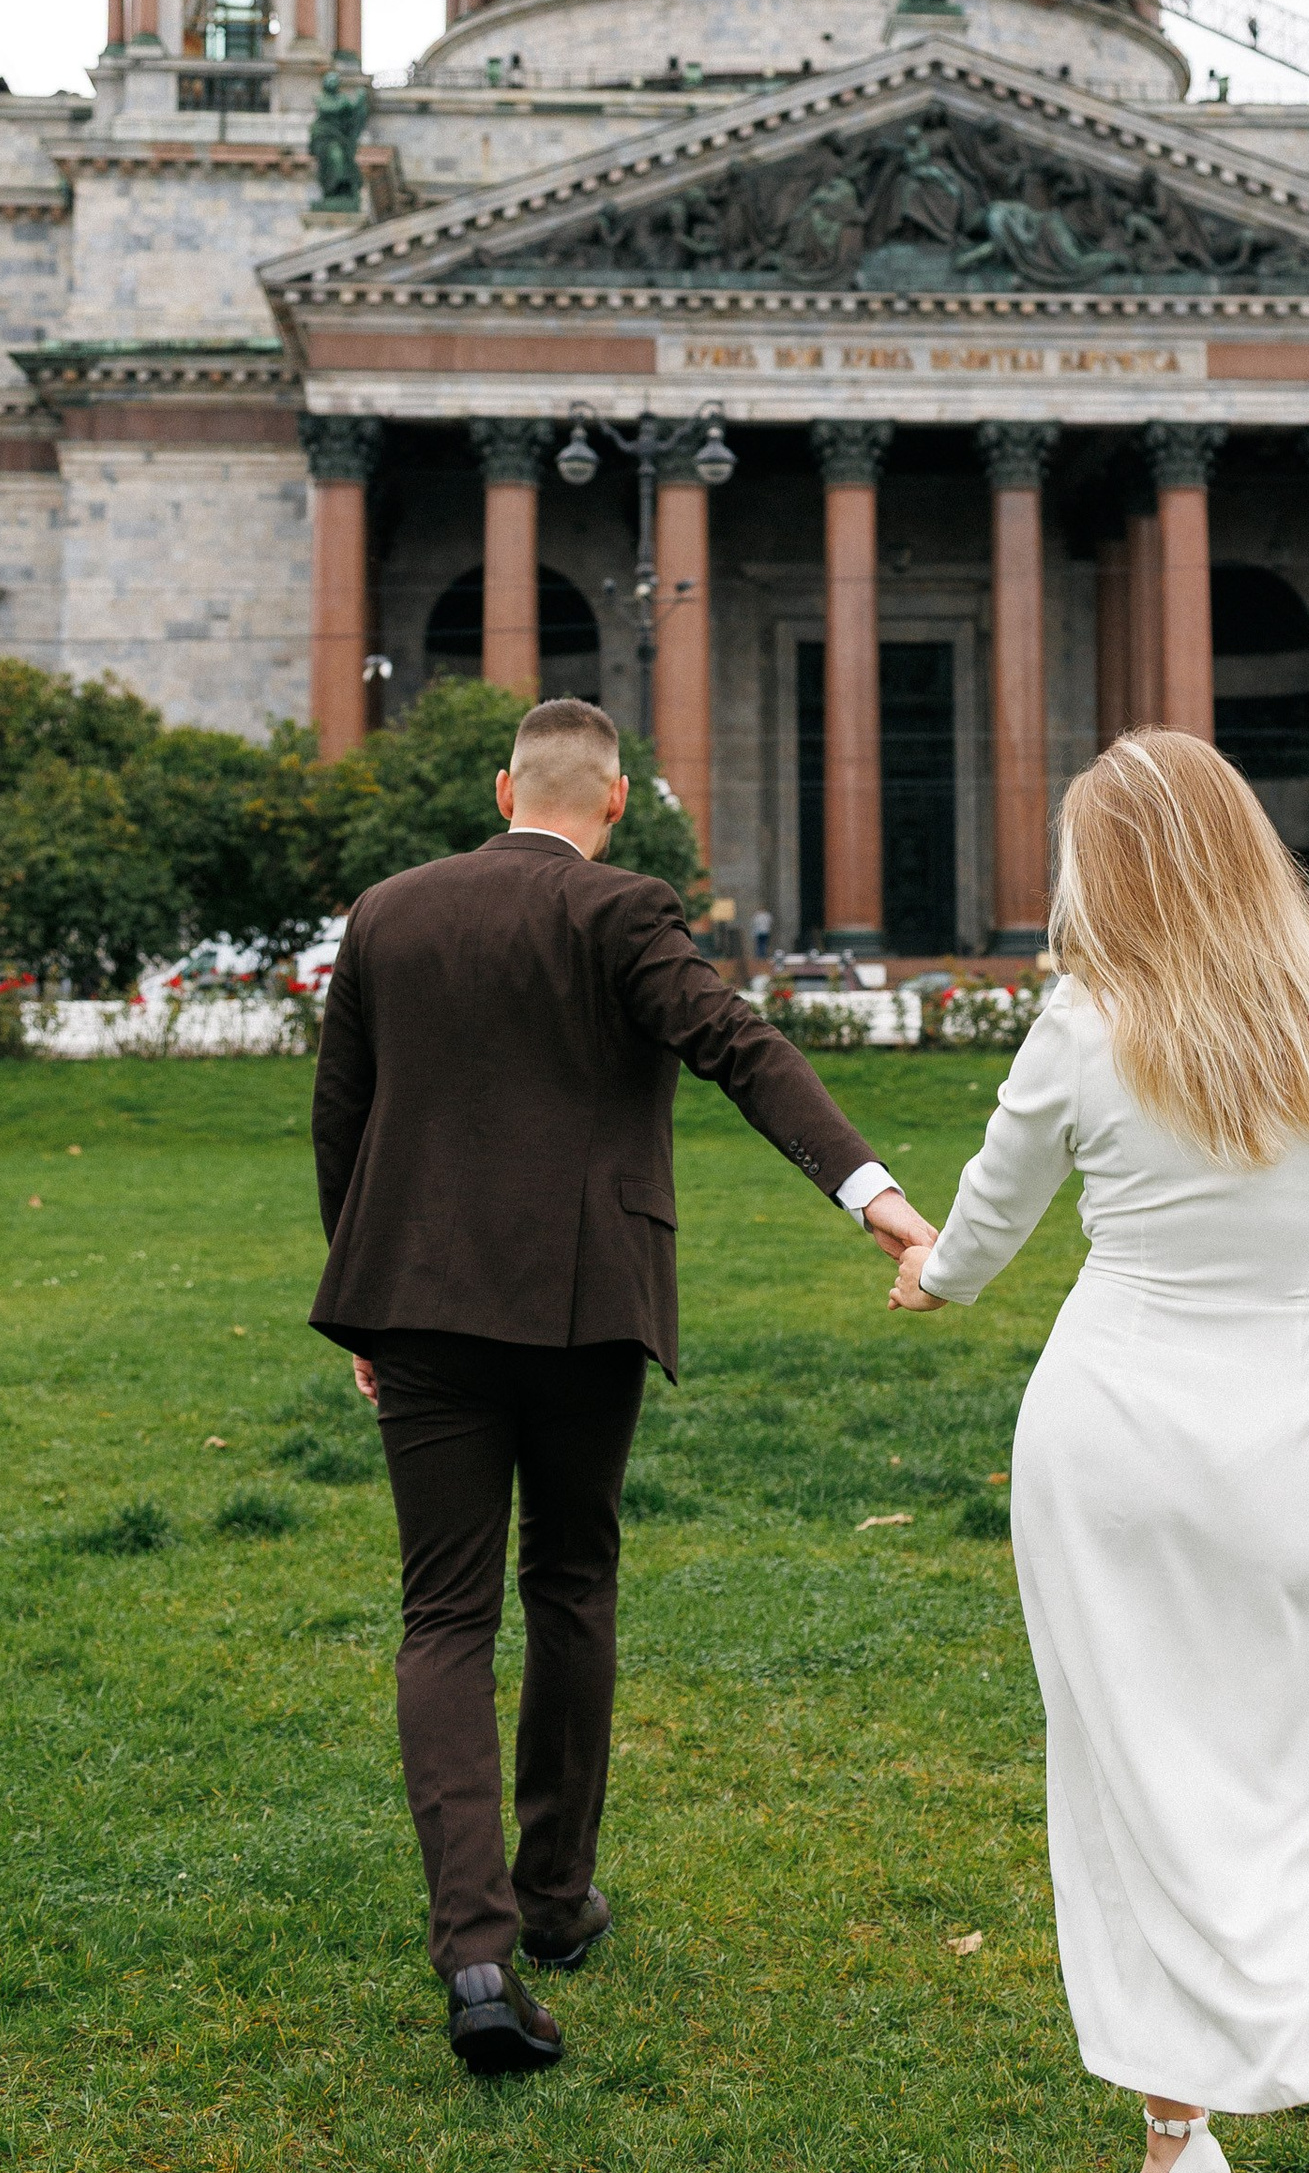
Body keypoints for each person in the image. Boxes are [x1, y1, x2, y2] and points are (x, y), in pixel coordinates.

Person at [889, 729, 1309, 2173]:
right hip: (1285, 1447)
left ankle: (1181, 2136)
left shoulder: (1084, 1024)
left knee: (1124, 1776)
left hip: (1107, 1436)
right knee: (1273, 1797)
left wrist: (925, 1275)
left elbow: (981, 1234)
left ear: (1102, 871)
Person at [311, 694, 933, 2080]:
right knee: (572, 1583)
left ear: (501, 786)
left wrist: (362, 1294)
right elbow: (740, 1049)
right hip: (587, 1306)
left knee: (444, 1614)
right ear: (615, 800)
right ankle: (554, 1901)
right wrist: (875, 1200)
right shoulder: (622, 910)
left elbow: (341, 1117)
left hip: (413, 1301)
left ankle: (475, 1951)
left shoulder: (389, 913)